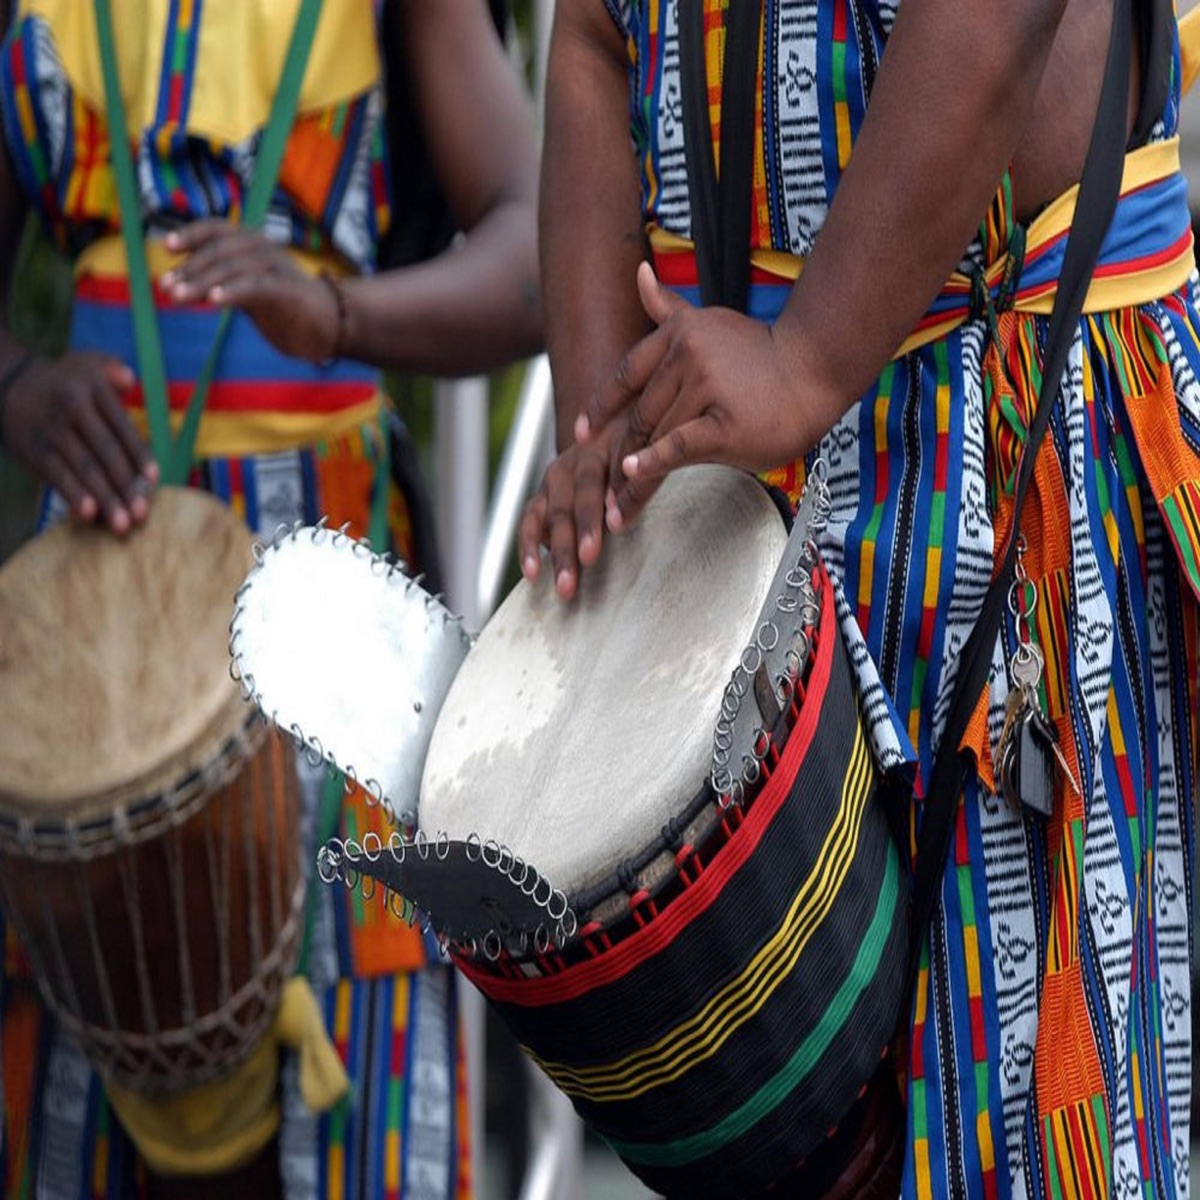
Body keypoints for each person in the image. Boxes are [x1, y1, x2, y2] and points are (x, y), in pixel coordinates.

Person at [519, 0, 1200, 1195]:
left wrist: (807, 360)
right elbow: (591, 37)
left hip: (1002, 427)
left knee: (1025, 1118)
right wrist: (602, 433)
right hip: (737, 459)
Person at [0, 0, 540, 1195]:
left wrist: (341, 314)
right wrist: (19, 385)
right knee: (93, 1004)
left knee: (367, 999)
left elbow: (536, 257)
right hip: (98, 577)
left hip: (333, 577)